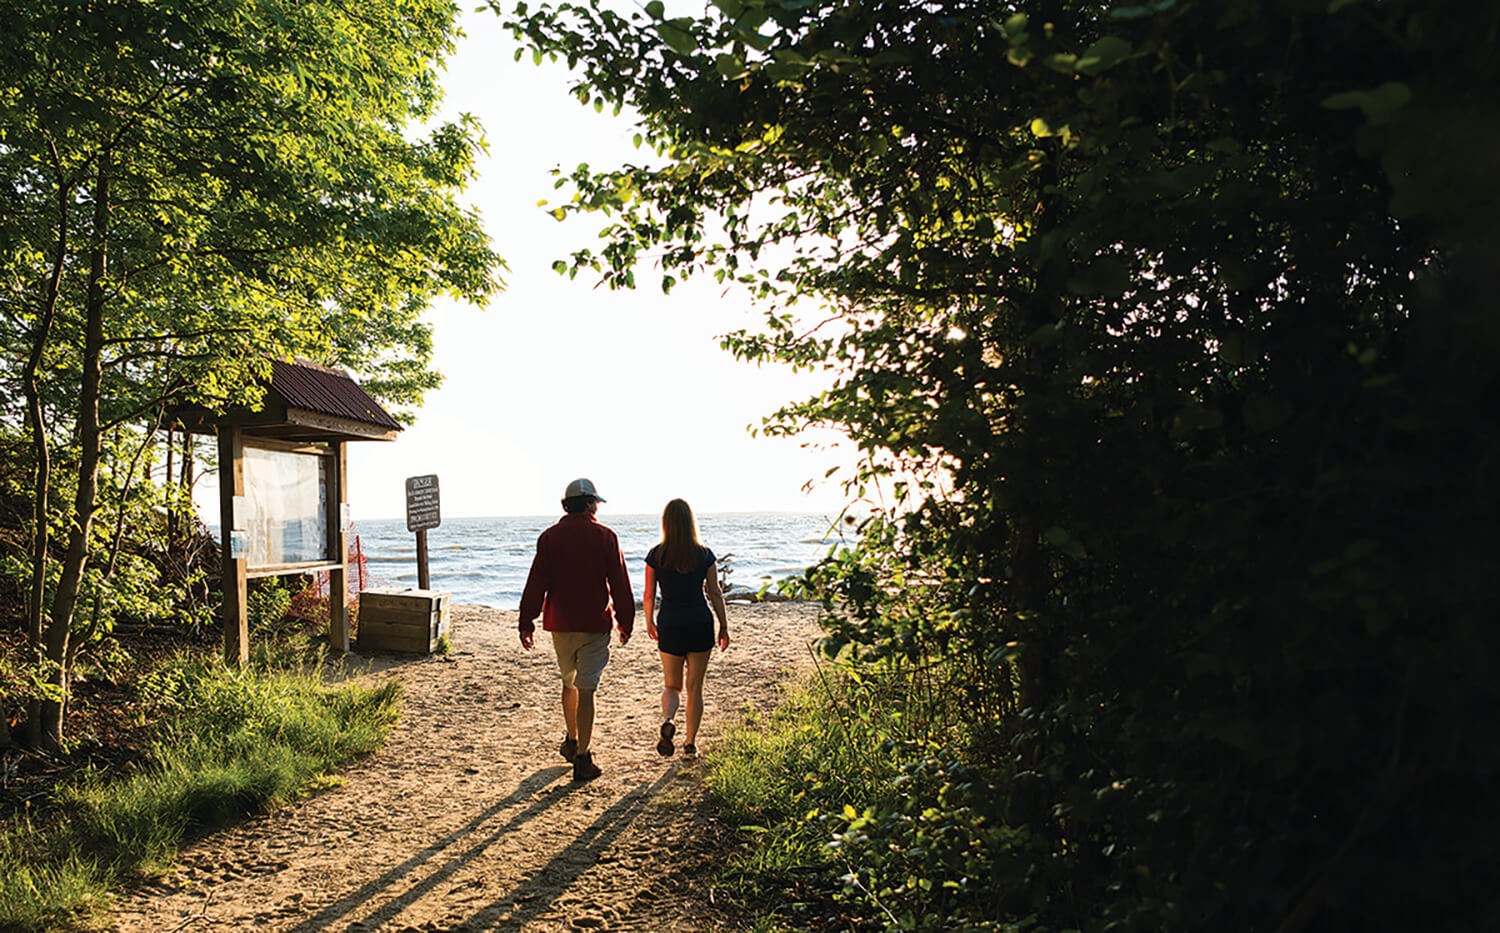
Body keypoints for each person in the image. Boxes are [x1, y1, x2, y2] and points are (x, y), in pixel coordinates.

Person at [518, 478, 634, 782]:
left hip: (561, 624)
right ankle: (583, 756)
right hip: (594, 624)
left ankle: (571, 739)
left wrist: (526, 620)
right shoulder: (606, 536)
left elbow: (536, 581)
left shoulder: (549, 538)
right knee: (587, 688)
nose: (597, 507)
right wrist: (626, 620)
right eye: (596, 502)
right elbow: (619, 582)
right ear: (590, 504)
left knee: (569, 682)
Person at [643, 498, 730, 759]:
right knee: (695, 687)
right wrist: (724, 626)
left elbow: (649, 594)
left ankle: (669, 718)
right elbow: (715, 592)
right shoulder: (704, 554)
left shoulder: (656, 555)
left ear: (666, 523)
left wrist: (649, 621)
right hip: (700, 622)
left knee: (671, 686)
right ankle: (690, 743)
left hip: (670, 623)